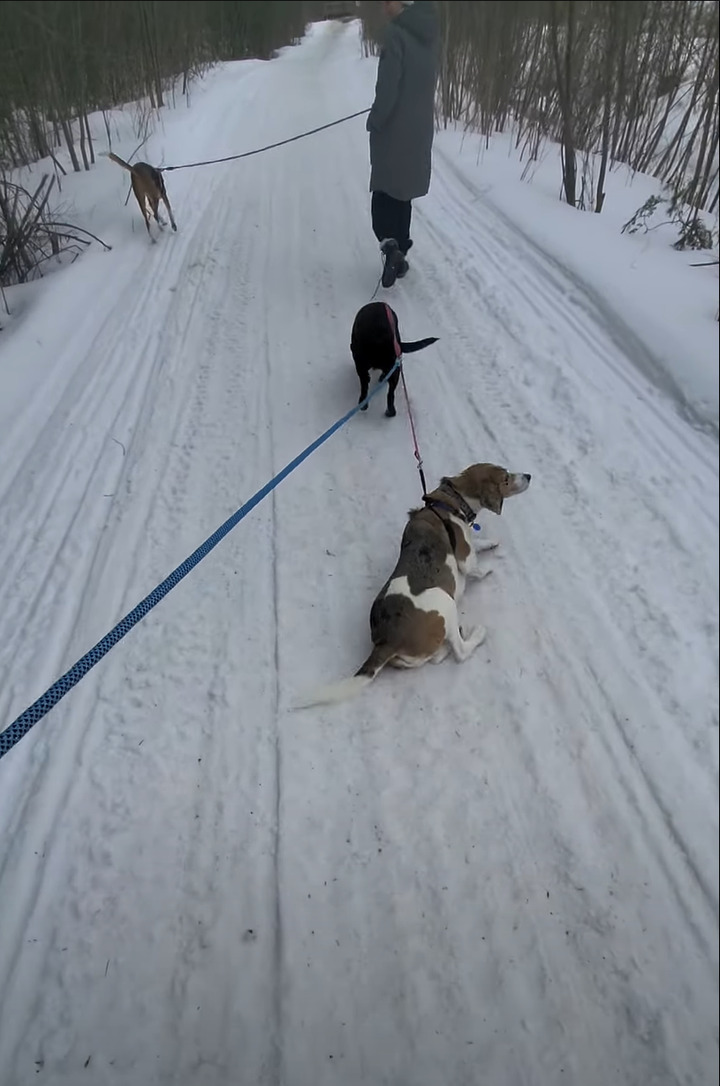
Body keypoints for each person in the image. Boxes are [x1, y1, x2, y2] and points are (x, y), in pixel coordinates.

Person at [366, 0, 440, 289]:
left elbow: (388, 87)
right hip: (420, 127)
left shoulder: (396, 35)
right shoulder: (430, 32)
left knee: (384, 191)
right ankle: (400, 252)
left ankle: (390, 246)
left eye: (387, 1)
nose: (383, 7)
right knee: (403, 193)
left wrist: (376, 119)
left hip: (394, 127)